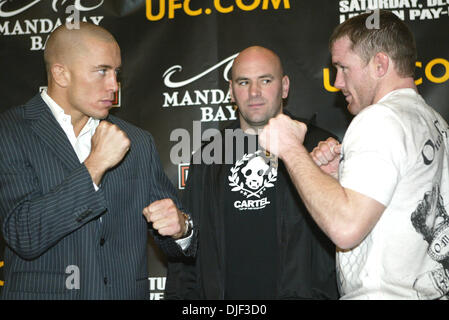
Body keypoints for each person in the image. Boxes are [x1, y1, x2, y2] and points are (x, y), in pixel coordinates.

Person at [259, 10, 449, 299]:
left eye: (343, 67)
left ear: (380, 64)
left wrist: (290, 148)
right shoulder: (435, 122)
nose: (336, 82)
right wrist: (338, 180)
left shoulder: (380, 118)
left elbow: (346, 227)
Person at [0, 22, 195, 299]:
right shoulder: (10, 131)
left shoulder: (137, 140)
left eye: (116, 73)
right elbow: (24, 234)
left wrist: (181, 228)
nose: (114, 86)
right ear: (61, 73)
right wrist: (95, 165)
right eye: (102, 71)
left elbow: (177, 241)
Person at [165, 46, 339, 299]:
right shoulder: (208, 156)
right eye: (243, 82)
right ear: (231, 91)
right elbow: (189, 250)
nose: (254, 93)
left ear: (285, 86)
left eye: (265, 80)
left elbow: (345, 241)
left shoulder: (319, 147)